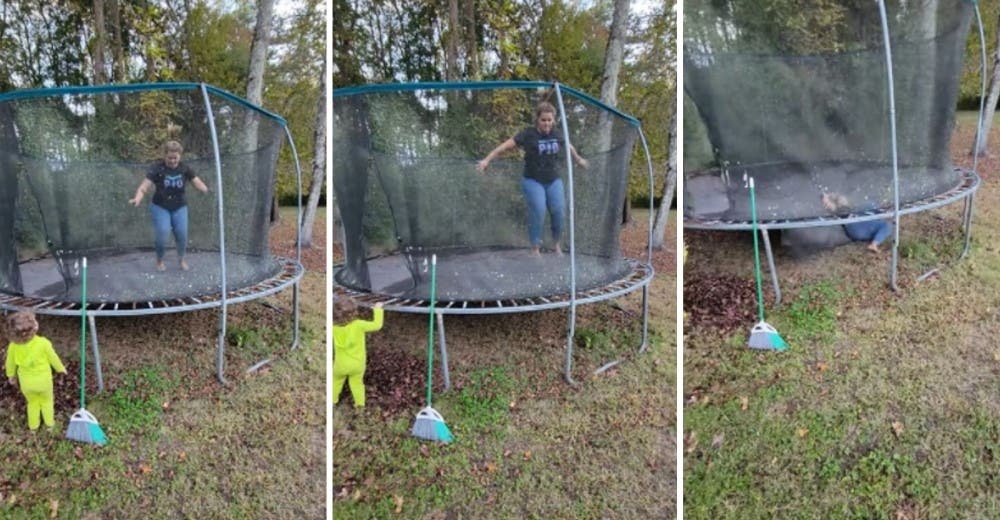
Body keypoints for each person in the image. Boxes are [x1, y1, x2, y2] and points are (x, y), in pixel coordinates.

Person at [476, 101, 589, 256]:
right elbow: (504, 147)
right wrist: (486, 160)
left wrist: (579, 159)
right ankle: (535, 248)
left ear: (553, 120)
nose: (547, 123)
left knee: (559, 211)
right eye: (543, 120)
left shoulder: (557, 134)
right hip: (532, 181)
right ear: (537, 119)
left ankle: (556, 244)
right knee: (539, 209)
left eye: (549, 120)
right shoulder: (528, 134)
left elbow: (569, 146)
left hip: (553, 180)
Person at [129, 140, 209, 271]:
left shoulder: (184, 168)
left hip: (180, 207)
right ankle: (159, 260)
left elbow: (196, 181)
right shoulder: (157, 168)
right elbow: (144, 186)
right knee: (163, 233)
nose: (172, 161)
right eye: (170, 158)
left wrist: (206, 190)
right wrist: (137, 198)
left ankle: (181, 259)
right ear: (165, 155)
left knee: (182, 235)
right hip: (160, 207)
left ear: (180, 156)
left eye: (175, 158)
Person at [4, 310, 67, 431]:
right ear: (34, 328)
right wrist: (61, 369)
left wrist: (11, 376)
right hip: (44, 382)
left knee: (32, 403)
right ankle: (49, 425)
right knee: (47, 401)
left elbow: (10, 363)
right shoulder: (43, 343)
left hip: (27, 384)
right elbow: (54, 358)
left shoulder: (13, 346)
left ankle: (33, 427)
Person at [333, 298, 384, 408]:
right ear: (354, 313)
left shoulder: (333, 328)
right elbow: (377, 325)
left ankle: (332, 401)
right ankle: (360, 404)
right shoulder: (359, 325)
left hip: (340, 365)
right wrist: (378, 309)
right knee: (357, 384)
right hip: (357, 364)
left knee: (336, 382)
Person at [821, 192, 892, 253]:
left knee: (843, 210)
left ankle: (828, 200)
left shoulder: (882, 224)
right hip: (854, 226)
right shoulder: (873, 208)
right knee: (844, 209)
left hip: (855, 228)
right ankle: (874, 245)